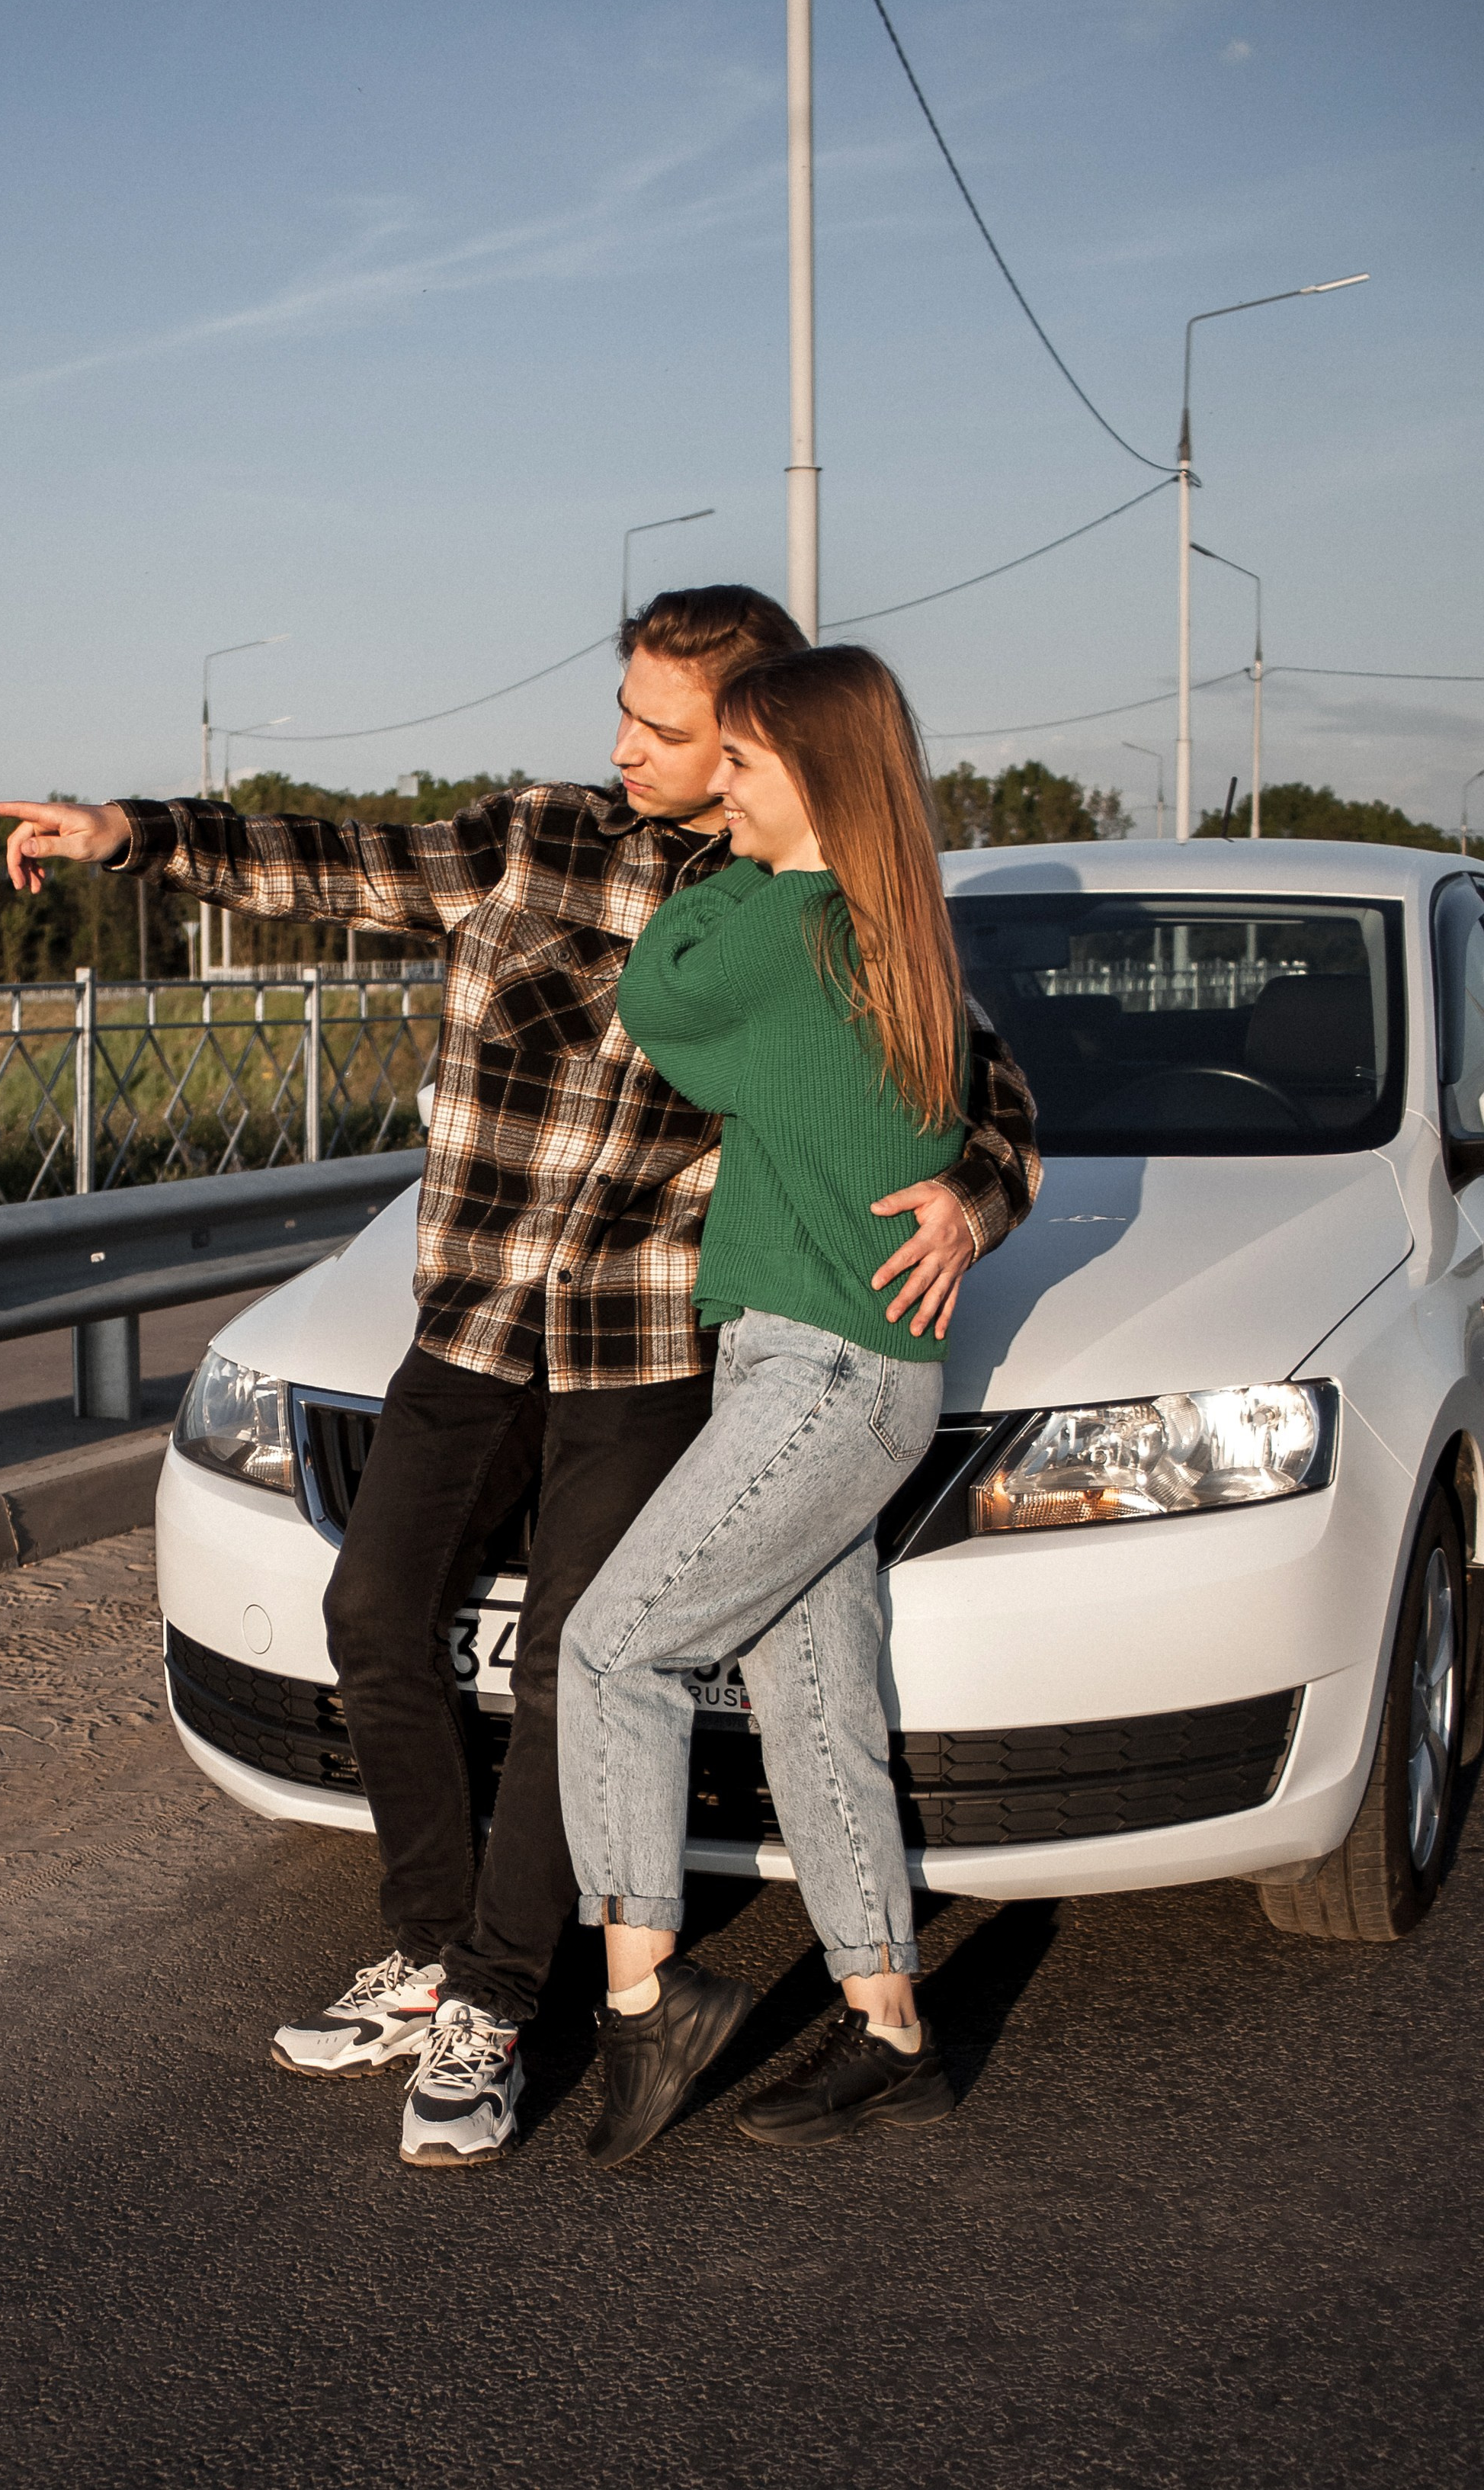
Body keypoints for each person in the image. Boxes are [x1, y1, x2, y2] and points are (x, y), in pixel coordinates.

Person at [0, 588, 1038, 2170]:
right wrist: (133, 831)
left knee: (575, 1663)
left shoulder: (801, 894)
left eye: (666, 731)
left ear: (762, 737)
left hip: (639, 1341)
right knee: (370, 1614)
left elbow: (978, 1086)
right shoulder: (536, 840)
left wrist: (976, 1193)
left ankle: (499, 1995)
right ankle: (424, 1948)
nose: (622, 746)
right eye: (623, 710)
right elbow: (332, 861)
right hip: (470, 1318)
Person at [559, 642, 981, 2166]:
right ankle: (888, 2033)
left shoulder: (792, 924)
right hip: (841, 1369)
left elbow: (655, 996)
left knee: (613, 1648)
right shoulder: (889, 930)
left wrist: (722, 863)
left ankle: (640, 2005)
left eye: (738, 765)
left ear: (818, 779)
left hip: (816, 1368)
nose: (709, 792)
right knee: (814, 1709)